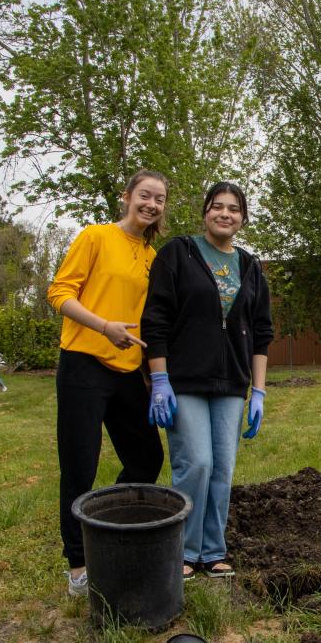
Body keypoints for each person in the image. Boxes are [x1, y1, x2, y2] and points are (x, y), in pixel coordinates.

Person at [142, 181, 273, 579]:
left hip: (232, 382)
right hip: (184, 379)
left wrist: (259, 390)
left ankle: (212, 551)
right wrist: (159, 378)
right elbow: (156, 319)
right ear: (205, 212)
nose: (225, 214)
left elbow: (262, 331)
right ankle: (182, 550)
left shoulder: (251, 266)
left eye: (234, 209)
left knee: (222, 468)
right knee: (195, 463)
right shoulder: (178, 253)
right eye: (217, 207)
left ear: (243, 218)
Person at [47, 169, 167, 597]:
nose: (151, 205)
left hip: (127, 370)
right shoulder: (95, 237)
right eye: (145, 195)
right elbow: (59, 294)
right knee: (79, 464)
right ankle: (78, 565)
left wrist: (156, 376)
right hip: (83, 362)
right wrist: (103, 326)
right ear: (127, 197)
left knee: (147, 457)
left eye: (159, 199)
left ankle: (100, 518)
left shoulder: (154, 258)